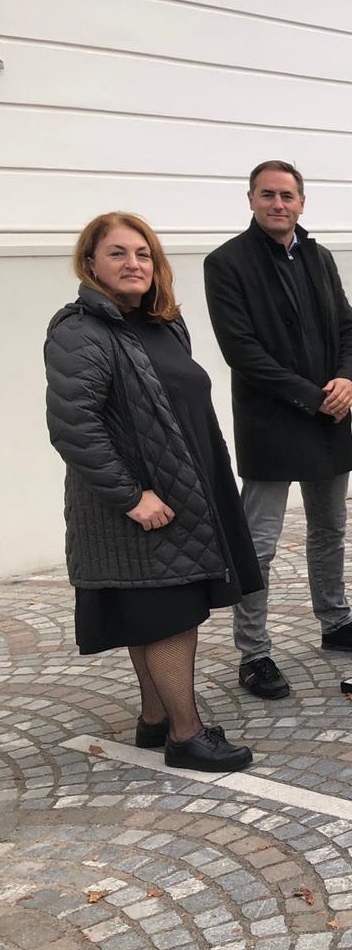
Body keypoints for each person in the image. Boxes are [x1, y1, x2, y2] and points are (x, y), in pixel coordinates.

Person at [45, 214, 259, 772]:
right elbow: (74, 426)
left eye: (142, 253)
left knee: (152, 610)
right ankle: (187, 736)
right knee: (168, 614)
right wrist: (131, 495)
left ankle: (155, 720)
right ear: (90, 263)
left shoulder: (163, 323)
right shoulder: (80, 331)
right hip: (137, 505)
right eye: (117, 253)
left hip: (182, 492)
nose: (133, 264)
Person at [205, 160, 352, 701]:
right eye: (268, 195)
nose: (278, 204)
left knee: (329, 528)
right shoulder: (226, 264)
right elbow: (243, 353)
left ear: (302, 203)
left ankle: (335, 622)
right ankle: (254, 653)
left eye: (287, 195)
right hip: (273, 422)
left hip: (330, 416)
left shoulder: (319, 255)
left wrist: (348, 381)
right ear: (251, 199)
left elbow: (349, 329)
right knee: (258, 544)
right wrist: (315, 396)